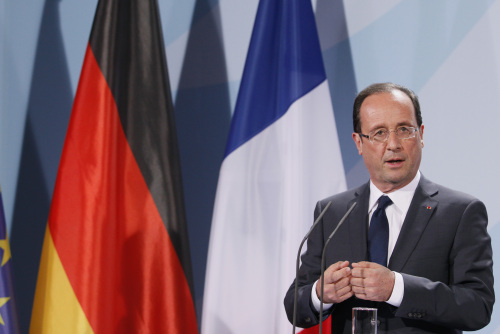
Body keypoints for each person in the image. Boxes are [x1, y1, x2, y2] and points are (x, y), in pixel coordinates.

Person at [284, 83, 494, 333]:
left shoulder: (460, 212)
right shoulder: (332, 211)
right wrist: (320, 294)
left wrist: (397, 288)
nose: (393, 144)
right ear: (359, 143)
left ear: (421, 134)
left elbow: (477, 307)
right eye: (379, 133)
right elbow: (295, 306)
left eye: (404, 129)